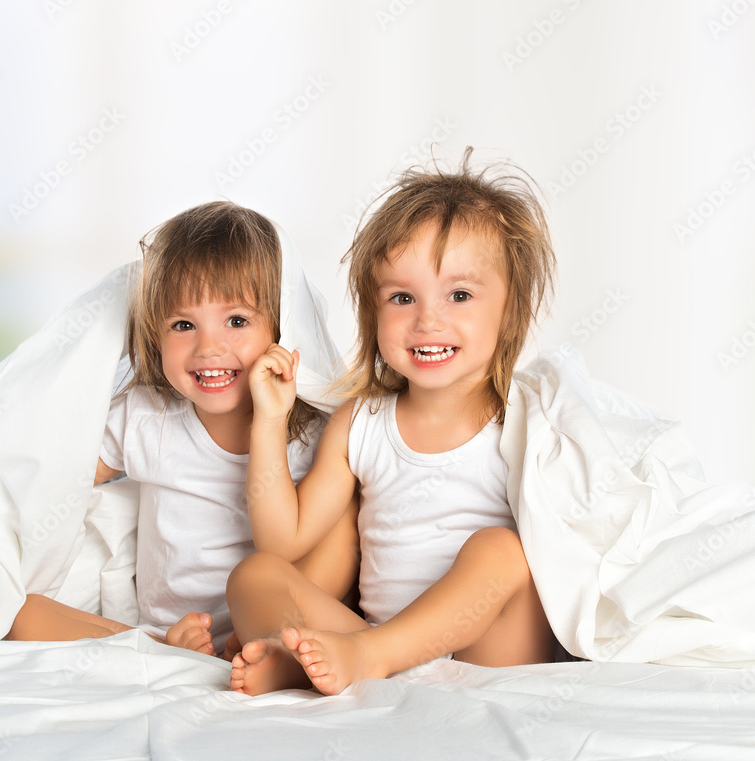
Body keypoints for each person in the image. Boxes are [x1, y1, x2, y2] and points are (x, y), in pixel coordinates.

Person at [227, 149, 557, 694]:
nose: (428, 319)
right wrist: (268, 422)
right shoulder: (363, 423)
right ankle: (290, 656)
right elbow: (282, 541)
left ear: (512, 310)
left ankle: (363, 657)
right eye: (402, 297)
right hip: (370, 641)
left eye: (459, 294)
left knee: (501, 552)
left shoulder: (527, 418)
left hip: (489, 656)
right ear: (371, 313)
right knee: (254, 575)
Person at [5, 201, 356, 658]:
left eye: (237, 321)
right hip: (172, 629)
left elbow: (298, 548)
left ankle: (276, 643)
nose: (208, 347)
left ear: (282, 326)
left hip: (281, 607)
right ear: (155, 335)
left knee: (345, 509)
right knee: (16, 613)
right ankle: (156, 648)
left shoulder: (313, 434)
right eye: (183, 325)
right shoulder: (145, 416)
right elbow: (56, 481)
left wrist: (270, 421)